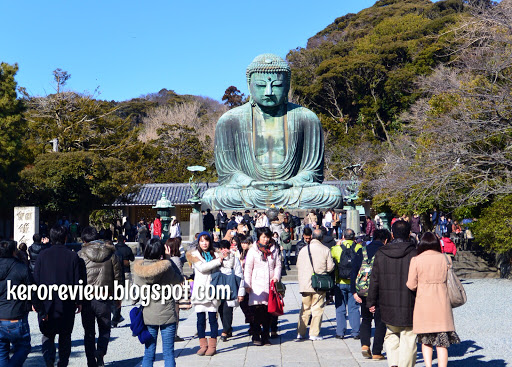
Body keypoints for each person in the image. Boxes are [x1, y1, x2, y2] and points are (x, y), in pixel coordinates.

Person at [367, 220, 418, 367]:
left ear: (392, 234)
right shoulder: (414, 253)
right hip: (410, 301)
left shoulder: (381, 253)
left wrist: (371, 301)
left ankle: (394, 363)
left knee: (391, 334)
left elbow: (374, 280)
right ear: (409, 234)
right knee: (408, 336)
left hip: (387, 301)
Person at [406, 232, 460, 367]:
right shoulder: (446, 259)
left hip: (424, 303)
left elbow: (411, 284)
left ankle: (428, 365)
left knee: (426, 340)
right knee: (442, 342)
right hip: (442, 302)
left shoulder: (416, 260)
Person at [34, 225, 82, 367]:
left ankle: (49, 360)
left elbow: (36, 280)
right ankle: (63, 363)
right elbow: (77, 281)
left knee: (48, 334)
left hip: (46, 302)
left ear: (50, 238)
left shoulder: (42, 255)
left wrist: (35, 302)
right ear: (66, 237)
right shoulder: (73, 256)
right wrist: (78, 301)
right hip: (66, 302)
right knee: (65, 335)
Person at [133, 238, 183, 367]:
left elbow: (134, 296)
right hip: (167, 313)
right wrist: (168, 259)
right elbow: (179, 278)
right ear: (162, 251)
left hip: (149, 314)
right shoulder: (166, 267)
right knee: (169, 353)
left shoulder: (139, 269)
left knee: (149, 353)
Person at [78, 227, 123, 367]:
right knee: (105, 328)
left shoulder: (80, 255)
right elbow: (118, 278)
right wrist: (118, 298)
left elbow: (77, 278)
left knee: (89, 332)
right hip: (104, 298)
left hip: (86, 299)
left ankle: (91, 361)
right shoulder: (111, 254)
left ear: (84, 240)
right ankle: (101, 353)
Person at [0, 240, 42, 366]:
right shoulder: (21, 268)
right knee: (24, 347)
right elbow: (32, 290)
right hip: (16, 315)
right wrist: (37, 305)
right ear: (14, 252)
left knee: (1, 351)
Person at [350, 229, 389, 360]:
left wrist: (354, 291)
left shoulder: (362, 250)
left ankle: (365, 345)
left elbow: (354, 271)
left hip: (363, 291)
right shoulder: (384, 252)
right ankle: (377, 351)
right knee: (380, 322)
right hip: (380, 291)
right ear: (386, 240)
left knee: (366, 319)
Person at [186, 232, 228, 356]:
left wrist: (226, 256)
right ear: (198, 242)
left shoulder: (215, 253)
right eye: (202, 241)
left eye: (206, 240)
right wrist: (218, 261)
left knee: (212, 319)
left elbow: (227, 265)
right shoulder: (194, 255)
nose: (204, 243)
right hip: (200, 291)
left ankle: (212, 345)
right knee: (200, 320)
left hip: (213, 290)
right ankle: (202, 345)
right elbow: (202, 268)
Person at [244, 227, 282, 346]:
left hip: (270, 284)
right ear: (259, 238)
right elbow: (248, 268)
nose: (265, 239)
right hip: (256, 285)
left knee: (268, 312)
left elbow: (278, 265)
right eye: (263, 237)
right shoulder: (253, 251)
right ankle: (256, 335)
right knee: (256, 311)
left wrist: (276, 276)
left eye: (267, 237)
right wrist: (247, 284)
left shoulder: (274, 250)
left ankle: (265, 336)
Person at [296, 229, 335, 340]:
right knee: (317, 309)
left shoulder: (304, 249)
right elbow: (330, 267)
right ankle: (313, 333)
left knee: (304, 309)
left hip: (305, 283)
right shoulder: (325, 250)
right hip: (319, 283)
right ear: (322, 237)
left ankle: (300, 332)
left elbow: (298, 265)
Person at [331, 228, 362, 339]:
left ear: (343, 237)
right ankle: (356, 332)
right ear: (354, 238)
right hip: (355, 282)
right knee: (354, 308)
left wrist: (338, 244)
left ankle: (340, 332)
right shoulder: (359, 248)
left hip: (340, 281)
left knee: (340, 307)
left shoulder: (336, 249)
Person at [217, 240, 245, 342]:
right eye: (221, 248)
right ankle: (228, 328)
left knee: (227, 309)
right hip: (219, 288)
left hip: (231, 288)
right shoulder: (217, 259)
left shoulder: (234, 259)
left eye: (225, 248)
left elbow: (240, 276)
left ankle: (225, 330)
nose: (223, 250)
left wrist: (240, 293)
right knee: (220, 309)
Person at [113, 236, 135, 327]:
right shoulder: (127, 249)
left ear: (117, 240)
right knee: (130, 285)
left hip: (118, 271)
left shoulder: (115, 249)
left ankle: (117, 304)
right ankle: (133, 299)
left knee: (118, 291)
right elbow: (132, 258)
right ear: (124, 240)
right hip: (126, 270)